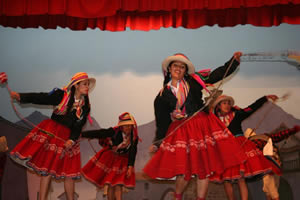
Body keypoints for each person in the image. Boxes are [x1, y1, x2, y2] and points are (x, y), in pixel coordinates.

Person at [143, 52, 247, 200]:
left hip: (202, 126)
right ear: (169, 69)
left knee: (203, 169)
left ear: (185, 70)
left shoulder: (194, 81)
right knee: (184, 172)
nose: (178, 69)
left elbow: (217, 75)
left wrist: (233, 62)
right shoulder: (161, 97)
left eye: (182, 67)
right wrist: (158, 142)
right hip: (182, 130)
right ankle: (177, 197)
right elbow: (163, 122)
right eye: (175, 66)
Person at [9, 72, 95, 200]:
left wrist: (71, 140)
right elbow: (42, 98)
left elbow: (78, 125)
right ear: (76, 86)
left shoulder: (85, 106)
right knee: (47, 170)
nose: (87, 87)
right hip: (53, 133)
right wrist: (21, 96)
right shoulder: (61, 95)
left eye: (88, 84)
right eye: (84, 84)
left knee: (69, 174)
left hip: (69, 138)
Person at [211, 94, 279, 200]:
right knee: (226, 179)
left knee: (240, 178)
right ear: (218, 106)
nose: (227, 105)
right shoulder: (213, 120)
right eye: (224, 103)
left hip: (240, 146)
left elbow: (251, 108)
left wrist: (265, 98)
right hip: (225, 149)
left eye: (229, 103)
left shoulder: (237, 114)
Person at [81, 112, 139, 200]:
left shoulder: (134, 137)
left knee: (118, 184)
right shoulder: (114, 132)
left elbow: (132, 151)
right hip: (111, 158)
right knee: (111, 184)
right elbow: (100, 133)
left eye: (130, 126)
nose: (129, 128)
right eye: (126, 126)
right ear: (121, 126)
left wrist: (130, 166)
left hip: (122, 161)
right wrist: (83, 134)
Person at [244, 125, 300, 200]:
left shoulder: (250, 144)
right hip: (276, 164)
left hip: (267, 167)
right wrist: (292, 130)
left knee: (272, 191)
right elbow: (279, 135)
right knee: (270, 189)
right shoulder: (265, 137)